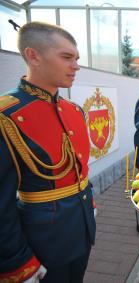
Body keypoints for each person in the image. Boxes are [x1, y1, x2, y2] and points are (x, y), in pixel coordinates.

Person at [0, 22, 96, 282]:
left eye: (76, 58)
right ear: (33, 56)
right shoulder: (7, 115)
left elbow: (80, 170)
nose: (75, 65)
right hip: (41, 245)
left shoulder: (74, 111)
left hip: (81, 227)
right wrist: (18, 262)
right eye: (66, 57)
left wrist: (89, 206)